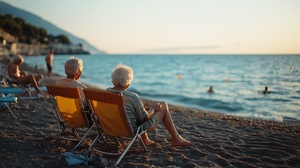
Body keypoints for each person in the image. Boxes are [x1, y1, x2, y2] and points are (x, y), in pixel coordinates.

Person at [106, 64, 192, 146]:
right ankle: (176, 139)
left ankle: (145, 140)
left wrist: (146, 108)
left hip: (110, 127)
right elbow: (145, 118)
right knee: (163, 105)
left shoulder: (105, 93)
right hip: (130, 130)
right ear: (127, 83)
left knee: (137, 110)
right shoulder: (132, 97)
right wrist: (153, 108)